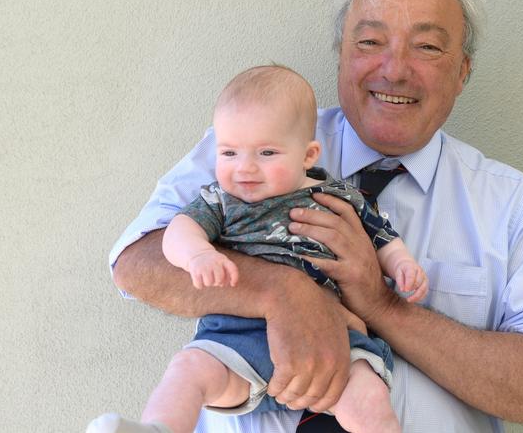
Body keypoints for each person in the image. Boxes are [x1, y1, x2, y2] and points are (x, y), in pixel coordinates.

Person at [108, 0, 523, 433]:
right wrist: (283, 291)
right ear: (342, 53)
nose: (394, 69)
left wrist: (383, 305)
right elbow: (138, 264)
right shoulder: (249, 143)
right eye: (370, 41)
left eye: (426, 47)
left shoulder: (515, 205)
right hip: (240, 370)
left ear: (463, 71)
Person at [89, 65, 428, 433]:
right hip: (235, 335)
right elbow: (178, 231)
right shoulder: (221, 201)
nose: (245, 168)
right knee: (188, 372)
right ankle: (159, 428)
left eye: (266, 152)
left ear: (308, 155)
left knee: (369, 398)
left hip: (335, 340)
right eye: (229, 153)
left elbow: (381, 236)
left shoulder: (337, 197)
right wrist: (197, 255)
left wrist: (402, 263)